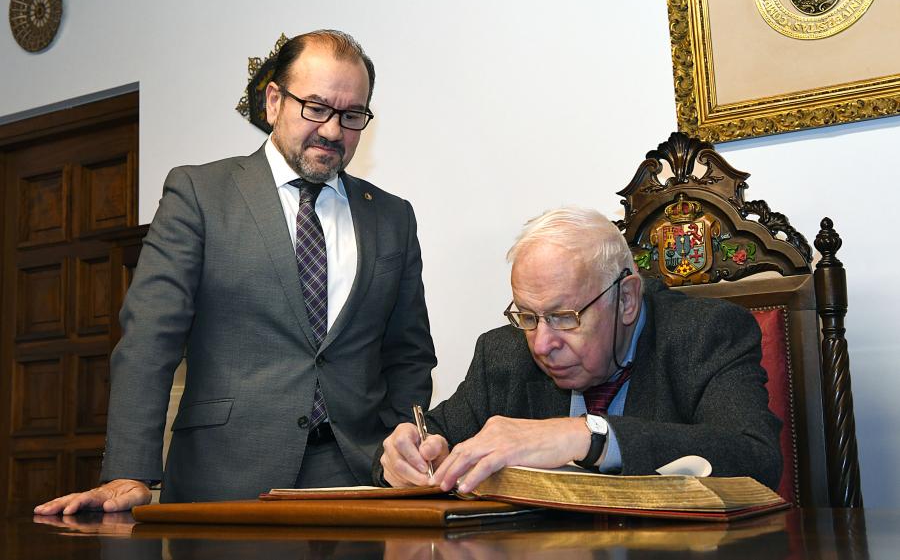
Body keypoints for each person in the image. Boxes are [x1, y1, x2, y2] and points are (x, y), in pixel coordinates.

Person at [36, 29, 436, 514]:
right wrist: (129, 469)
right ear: (273, 102)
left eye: (352, 116)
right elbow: (150, 340)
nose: (333, 130)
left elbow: (409, 355)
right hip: (224, 480)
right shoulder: (199, 194)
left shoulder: (393, 217)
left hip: (361, 485)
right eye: (316, 107)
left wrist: (398, 444)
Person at [377, 207, 781, 494]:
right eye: (528, 316)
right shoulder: (503, 353)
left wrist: (588, 436)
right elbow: (436, 436)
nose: (541, 343)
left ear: (625, 300)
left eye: (563, 316)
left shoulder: (704, 334)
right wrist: (408, 453)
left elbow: (755, 459)